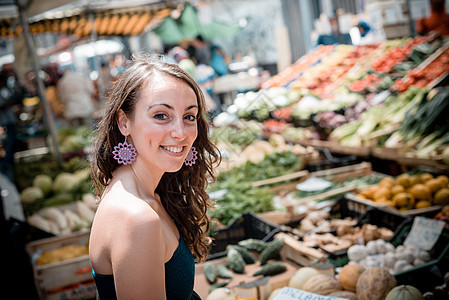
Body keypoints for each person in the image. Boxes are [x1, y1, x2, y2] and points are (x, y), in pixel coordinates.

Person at [89, 54, 220, 299]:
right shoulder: (137, 218)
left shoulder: (140, 188)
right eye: (161, 115)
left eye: (189, 116)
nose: (181, 133)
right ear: (124, 122)